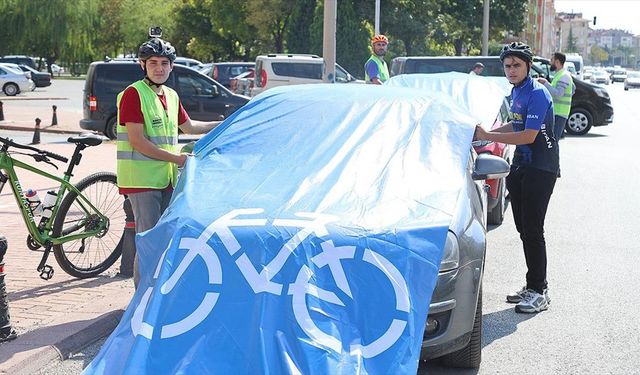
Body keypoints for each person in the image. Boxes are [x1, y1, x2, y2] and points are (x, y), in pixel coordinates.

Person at [116, 34, 223, 286]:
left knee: (163, 238)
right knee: (149, 240)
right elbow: (137, 141)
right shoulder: (134, 94)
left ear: (172, 66)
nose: (159, 68)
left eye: (164, 63)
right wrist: (177, 159)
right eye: (153, 63)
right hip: (141, 180)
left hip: (165, 179)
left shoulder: (171, 96)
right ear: (143, 65)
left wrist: (224, 124)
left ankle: (155, 295)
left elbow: (190, 127)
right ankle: (142, 300)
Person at [474, 42, 558, 314]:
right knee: (524, 229)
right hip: (521, 165)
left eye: (516, 65)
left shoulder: (537, 93)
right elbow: (517, 124)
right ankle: (532, 284)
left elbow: (528, 135)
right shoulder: (517, 91)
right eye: (507, 66)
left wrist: (489, 135)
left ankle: (539, 291)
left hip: (541, 168)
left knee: (533, 230)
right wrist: (489, 132)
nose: (511, 70)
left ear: (528, 66)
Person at [537, 52, 575, 142]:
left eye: (552, 60)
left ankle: (553, 157)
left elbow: (558, 94)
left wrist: (545, 83)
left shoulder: (564, 76)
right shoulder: (561, 75)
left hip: (559, 113)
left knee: (552, 142)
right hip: (557, 112)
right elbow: (572, 90)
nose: (550, 62)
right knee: (552, 141)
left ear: (557, 62)